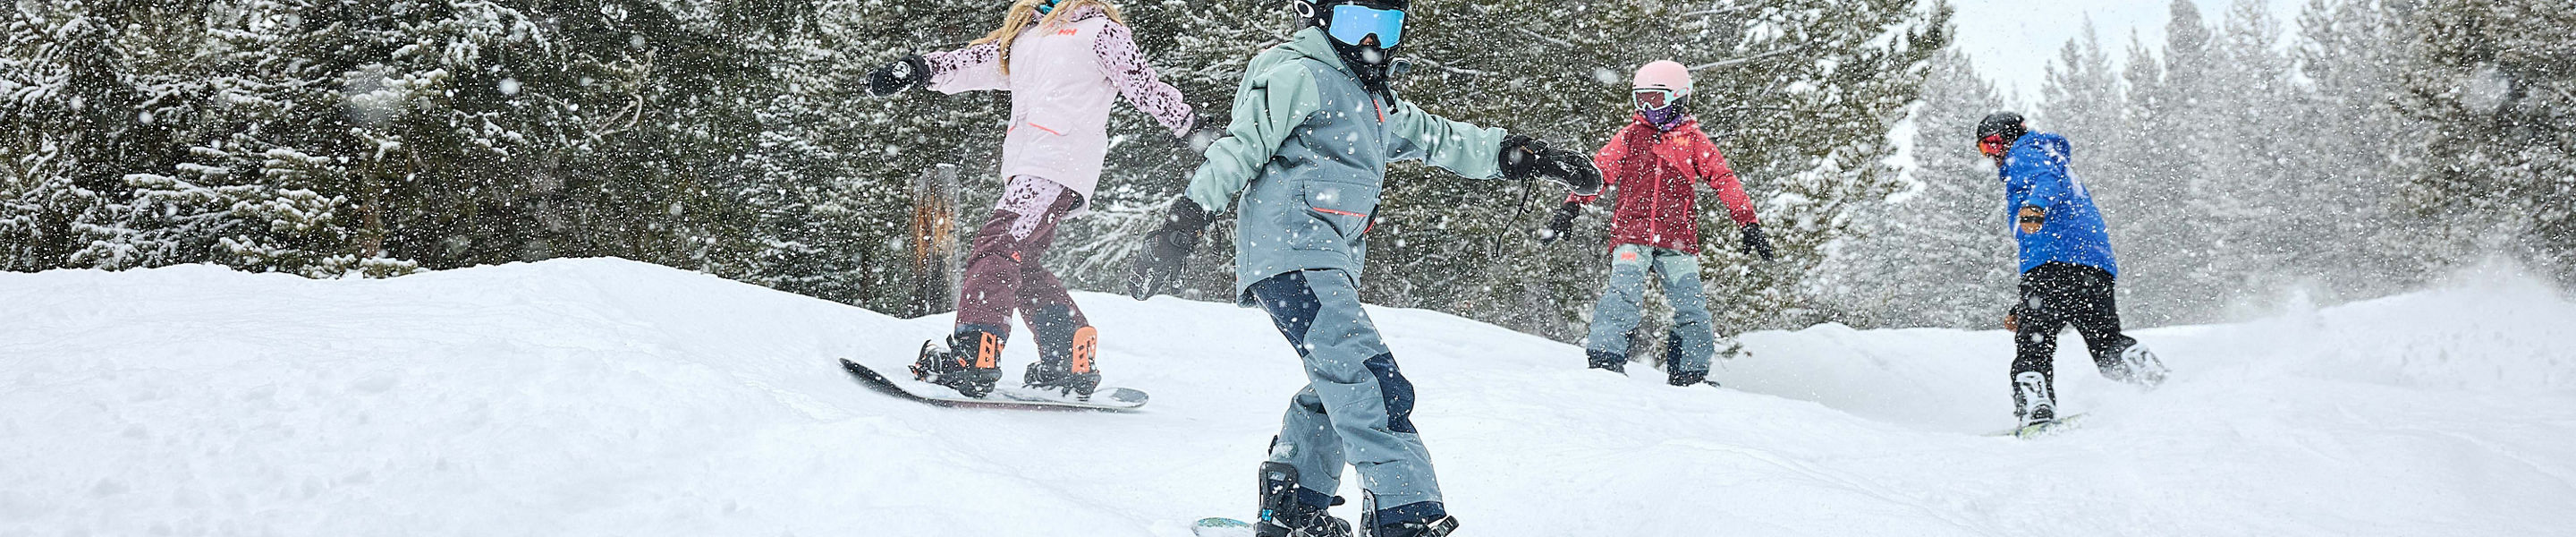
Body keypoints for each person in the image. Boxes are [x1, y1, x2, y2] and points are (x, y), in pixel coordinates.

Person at [1124, 0, 1600, 534]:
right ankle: (1405, 514)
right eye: (1357, 23)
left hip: (1323, 259)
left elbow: (1436, 138)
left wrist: (1521, 154)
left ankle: (1294, 501)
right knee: (1372, 382)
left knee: (1340, 379)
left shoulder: (1371, 96)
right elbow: (1240, 149)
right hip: (1290, 251)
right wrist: (1183, 220)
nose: (1372, 40)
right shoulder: (1296, 72)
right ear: (1322, 19)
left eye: (1387, 25)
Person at [863, 0, 1216, 399]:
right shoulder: (1028, 35)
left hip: (1057, 161)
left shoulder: (1100, 31)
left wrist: (1191, 127)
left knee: (997, 245)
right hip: (1031, 162)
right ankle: (1069, 353)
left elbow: (1143, 84)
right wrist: (919, 69)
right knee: (1020, 261)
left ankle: (974, 354)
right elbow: (975, 60)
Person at [1543, 60, 1771, 387]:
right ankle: (1605, 360)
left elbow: (1723, 179)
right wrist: (1570, 208)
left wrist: (1748, 223)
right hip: (1632, 235)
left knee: (1691, 306)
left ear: (1679, 98)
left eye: (1657, 99)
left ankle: (1689, 374)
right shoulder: (1631, 137)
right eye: (1642, 99)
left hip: (1676, 241)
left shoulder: (1692, 141)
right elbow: (1598, 174)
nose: (1648, 108)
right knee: (1622, 294)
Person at [1975, 111, 2170, 431]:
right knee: (2106, 343)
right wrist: (2022, 305)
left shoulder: (2024, 154)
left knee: (2033, 344)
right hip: (2092, 265)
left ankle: (2036, 407)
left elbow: (2046, 180)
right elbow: (2054, 180)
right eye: (1985, 150)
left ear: (2010, 136)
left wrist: (2036, 205)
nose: (1993, 155)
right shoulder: (2052, 155)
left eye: (1993, 145)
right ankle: (2150, 376)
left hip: (2050, 263)